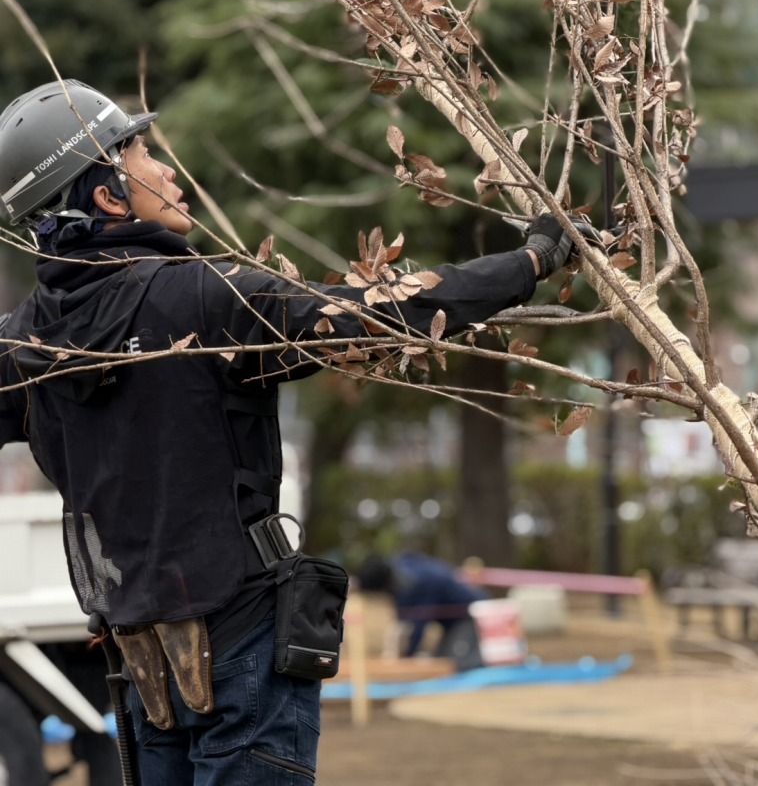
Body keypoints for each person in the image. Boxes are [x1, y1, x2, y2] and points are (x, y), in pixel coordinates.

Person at [0, 79, 575, 785]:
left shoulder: (24, 347)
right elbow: (379, 313)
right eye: (143, 154)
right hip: (241, 649)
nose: (170, 172)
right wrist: (530, 263)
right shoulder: (207, 300)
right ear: (110, 197)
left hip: (143, 669)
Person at [357, 552, 488, 669]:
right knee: (441, 657)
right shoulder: (399, 572)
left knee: (456, 662)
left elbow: (418, 625)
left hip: (467, 614)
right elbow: (403, 617)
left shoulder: (419, 581)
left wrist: (406, 657)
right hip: (450, 623)